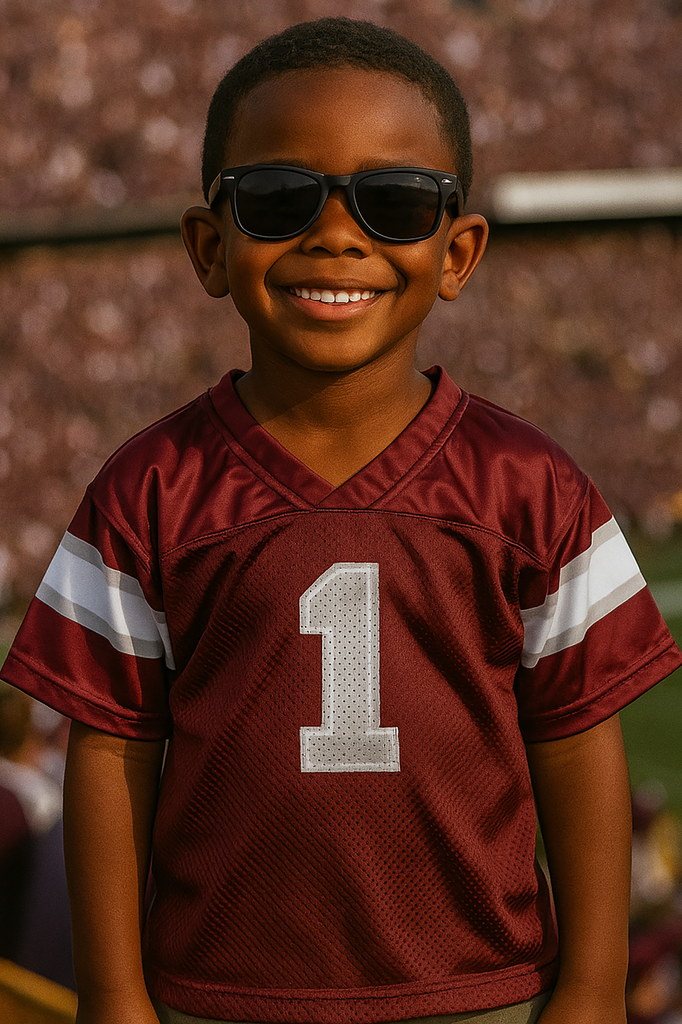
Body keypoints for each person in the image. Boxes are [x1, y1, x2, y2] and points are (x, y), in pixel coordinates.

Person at [2, 16, 681, 1024]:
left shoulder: (532, 483)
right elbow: (109, 749)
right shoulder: (146, 488)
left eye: (394, 204)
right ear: (207, 244)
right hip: (216, 997)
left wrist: (589, 986)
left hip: (478, 994)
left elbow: (576, 735)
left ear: (457, 253)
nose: (336, 233)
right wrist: (114, 995)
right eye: (279, 200)